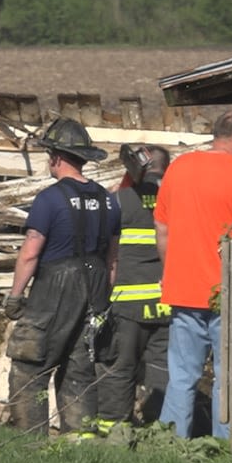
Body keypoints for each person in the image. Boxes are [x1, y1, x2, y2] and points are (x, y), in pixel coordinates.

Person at [2, 118, 121, 433]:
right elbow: (112, 259)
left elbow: (30, 251)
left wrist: (15, 296)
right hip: (95, 286)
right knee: (79, 369)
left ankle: (30, 443)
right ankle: (80, 441)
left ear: (55, 157)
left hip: (55, 286)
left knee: (31, 367)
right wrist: (102, 301)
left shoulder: (50, 199)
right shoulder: (108, 200)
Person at [155, 111, 232, 439]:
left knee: (181, 376)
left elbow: (162, 228)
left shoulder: (179, 167)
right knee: (226, 375)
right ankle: (225, 445)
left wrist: (169, 271)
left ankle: (171, 443)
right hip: (225, 293)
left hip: (183, 289)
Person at [95, 144, 171, 432]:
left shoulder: (120, 200)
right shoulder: (178, 199)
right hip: (167, 302)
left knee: (119, 367)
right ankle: (162, 430)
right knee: (163, 370)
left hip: (129, 303)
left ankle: (113, 429)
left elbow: (109, 254)